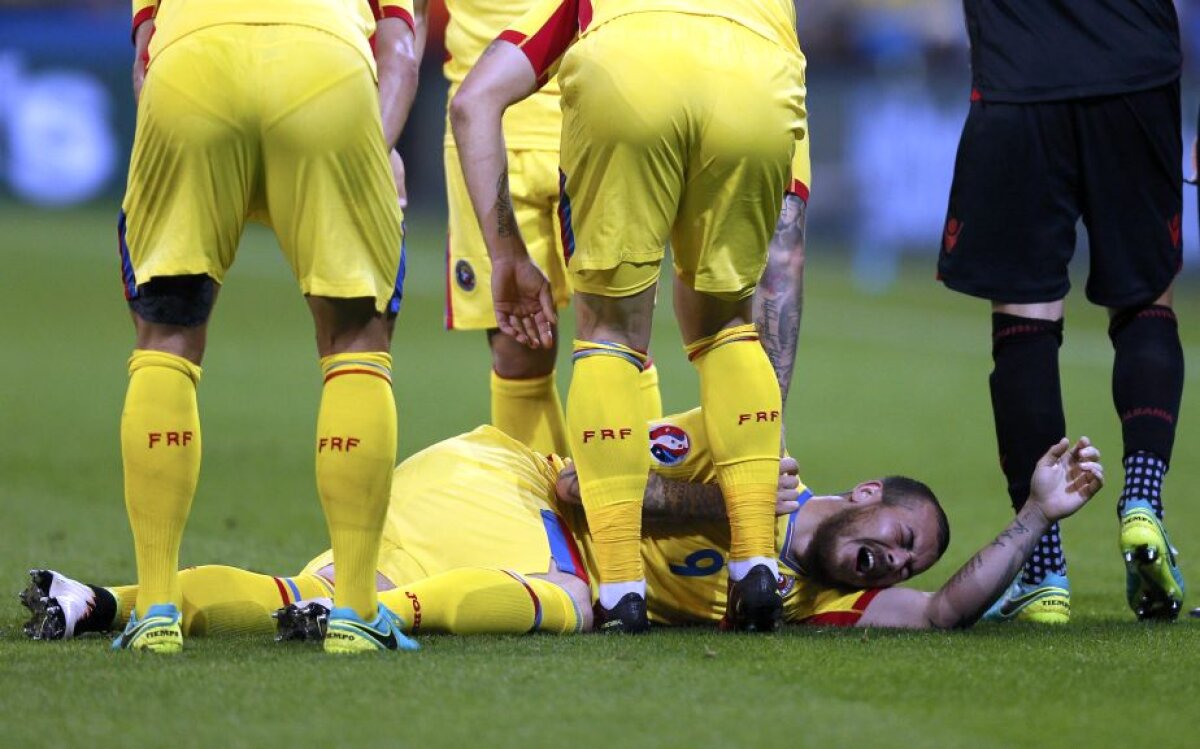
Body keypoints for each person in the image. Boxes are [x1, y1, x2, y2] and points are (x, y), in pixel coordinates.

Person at [20, 410, 1104, 640]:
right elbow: (590, 484)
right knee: (582, 598)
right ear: (863, 487)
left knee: (291, 589)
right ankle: (377, 615)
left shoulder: (822, 594)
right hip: (509, 491)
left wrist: (1033, 519)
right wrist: (725, 507)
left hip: (475, 540)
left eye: (902, 556)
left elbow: (949, 608)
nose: (893, 556)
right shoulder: (741, 447)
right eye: (895, 529)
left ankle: (97, 599)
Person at [450, 0, 808, 633]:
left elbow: (472, 102)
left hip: (628, 72)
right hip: (758, 79)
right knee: (728, 324)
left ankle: (619, 587)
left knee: (612, 333)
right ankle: (755, 567)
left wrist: (505, 254)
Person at [114, 0, 420, 653]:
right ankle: (356, 611)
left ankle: (156, 608)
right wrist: (378, 148)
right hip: (324, 70)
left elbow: (145, 57)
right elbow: (399, 50)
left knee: (166, 335)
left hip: (191, 69)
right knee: (355, 341)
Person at [937, 0, 1185, 622]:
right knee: (1145, 299)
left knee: (1025, 318)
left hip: (1019, 80)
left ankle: (1043, 570)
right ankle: (1142, 504)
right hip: (1136, 75)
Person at [429, 0, 663, 455]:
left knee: (620, 336)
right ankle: (543, 518)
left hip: (594, 114)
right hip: (484, 130)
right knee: (518, 345)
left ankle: (641, 512)